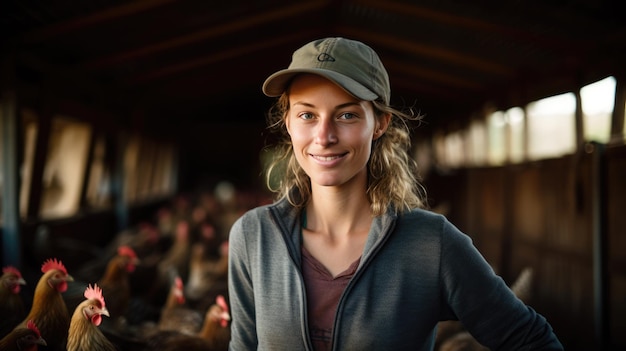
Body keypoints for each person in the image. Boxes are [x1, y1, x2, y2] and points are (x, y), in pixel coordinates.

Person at [227, 37, 563, 350]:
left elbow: (531, 338)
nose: (324, 135)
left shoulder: (431, 243)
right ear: (288, 122)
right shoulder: (254, 236)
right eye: (307, 115)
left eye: (347, 114)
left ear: (381, 123)